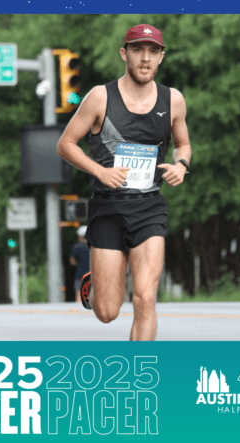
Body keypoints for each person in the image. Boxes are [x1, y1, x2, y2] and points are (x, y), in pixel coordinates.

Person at [57, 24, 191, 341]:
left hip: (149, 209)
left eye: (153, 51)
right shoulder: (100, 98)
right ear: (124, 54)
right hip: (108, 209)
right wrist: (100, 172)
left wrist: (181, 165)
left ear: (161, 57)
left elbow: (183, 144)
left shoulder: (173, 100)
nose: (145, 58)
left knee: (145, 299)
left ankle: (139, 375)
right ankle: (95, 282)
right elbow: (65, 144)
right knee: (107, 312)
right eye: (137, 50)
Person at [70, 225, 90, 303]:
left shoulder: (76, 247)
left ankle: (79, 314)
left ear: (81, 236)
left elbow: (72, 262)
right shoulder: (94, 246)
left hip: (80, 275)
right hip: (93, 275)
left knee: (79, 296)